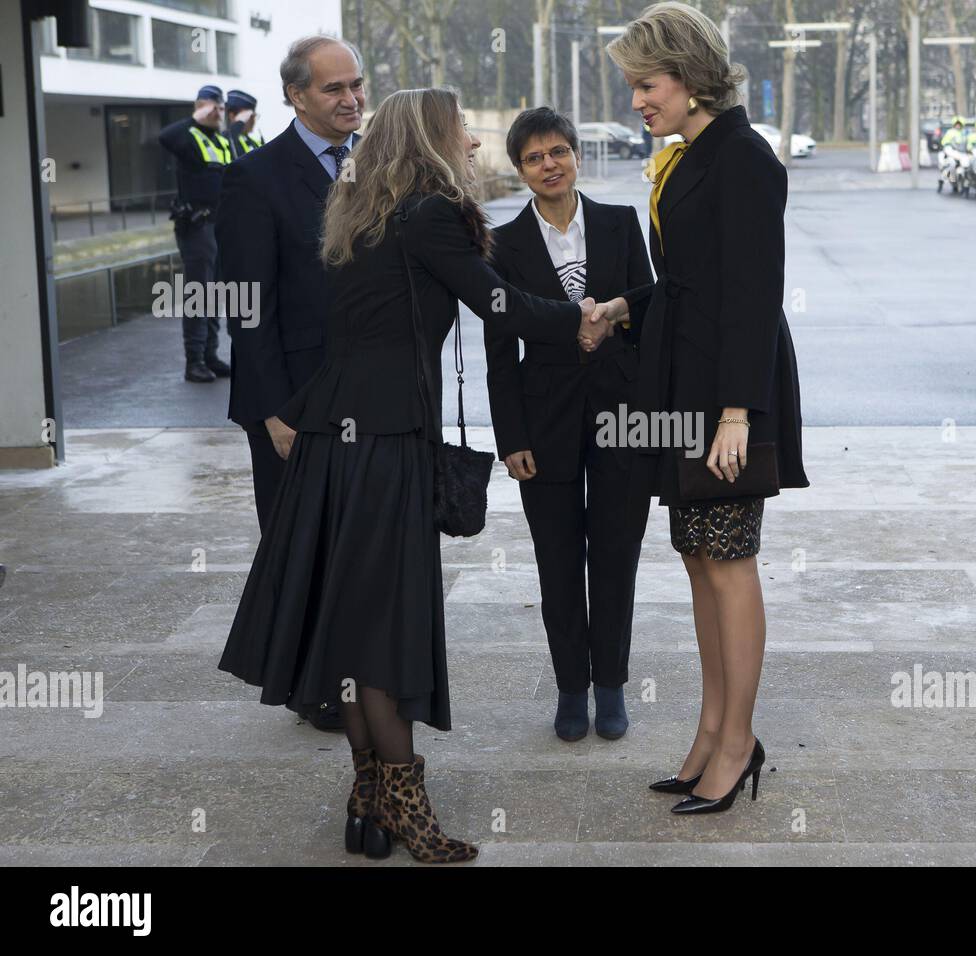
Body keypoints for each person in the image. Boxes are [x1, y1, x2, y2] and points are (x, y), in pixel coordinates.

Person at [218, 87, 609, 864]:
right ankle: (403, 805)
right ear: (433, 138)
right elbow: (499, 304)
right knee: (384, 630)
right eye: (461, 127)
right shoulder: (429, 214)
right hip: (385, 442)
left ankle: (368, 806)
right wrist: (585, 318)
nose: (471, 139)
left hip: (338, 435)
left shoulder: (362, 212)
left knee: (355, 627)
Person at [597, 1, 808, 815]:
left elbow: (752, 298)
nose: (639, 102)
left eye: (646, 85)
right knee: (698, 560)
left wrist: (735, 415)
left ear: (687, 76)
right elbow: (689, 285)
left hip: (727, 397)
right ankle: (712, 730)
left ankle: (739, 742)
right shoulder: (693, 154)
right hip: (685, 388)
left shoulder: (745, 159)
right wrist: (623, 309)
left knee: (728, 563)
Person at [484, 107, 654, 743]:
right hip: (544, 420)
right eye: (534, 158)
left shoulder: (619, 222)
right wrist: (512, 439)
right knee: (557, 560)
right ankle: (570, 688)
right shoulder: (501, 246)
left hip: (622, 415)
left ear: (577, 156)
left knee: (615, 552)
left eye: (558, 151)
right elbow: (499, 350)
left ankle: (610, 684)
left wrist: (615, 313)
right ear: (520, 170)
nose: (548, 165)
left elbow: (650, 302)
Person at [216, 35, 365, 733]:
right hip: (291, 400)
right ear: (295, 96)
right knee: (299, 545)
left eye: (356, 85)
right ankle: (313, 687)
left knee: (354, 544)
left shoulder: (375, 168)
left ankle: (354, 670)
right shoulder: (256, 178)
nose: (351, 99)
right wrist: (275, 412)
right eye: (334, 89)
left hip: (366, 395)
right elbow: (248, 308)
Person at [158, 84, 232, 383]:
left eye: (221, 108)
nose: (218, 113)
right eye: (212, 107)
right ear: (200, 106)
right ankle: (194, 361)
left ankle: (211, 355)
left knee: (215, 294)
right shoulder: (188, 136)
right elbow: (165, 137)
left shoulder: (221, 140)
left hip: (220, 225)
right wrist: (197, 117)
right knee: (198, 295)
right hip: (198, 226)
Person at [225, 89, 263, 159]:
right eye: (250, 116)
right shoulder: (225, 138)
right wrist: (239, 123)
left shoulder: (253, 142)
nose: (253, 120)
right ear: (232, 115)